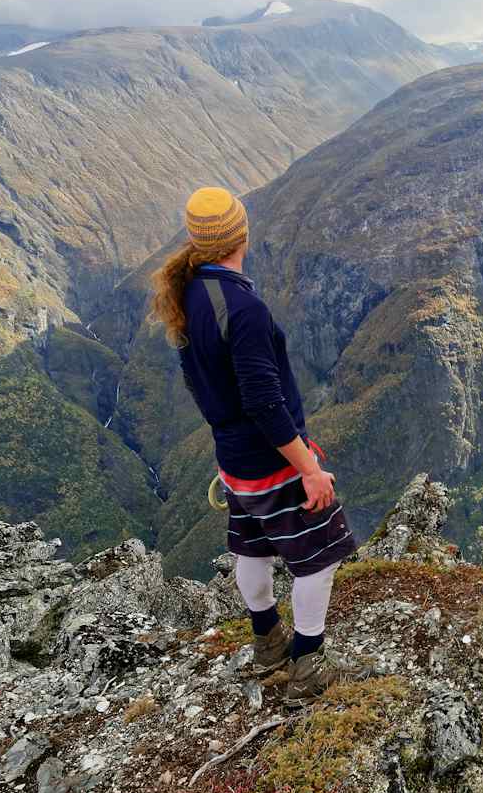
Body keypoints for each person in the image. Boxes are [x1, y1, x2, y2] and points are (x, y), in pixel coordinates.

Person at [149, 186, 357, 706]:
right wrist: (306, 467)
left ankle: (268, 642)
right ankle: (308, 665)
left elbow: (205, 383)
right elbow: (264, 401)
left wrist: (271, 442)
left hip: (238, 457)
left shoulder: (190, 293)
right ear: (241, 233)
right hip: (269, 459)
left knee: (253, 546)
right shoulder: (242, 309)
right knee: (319, 557)